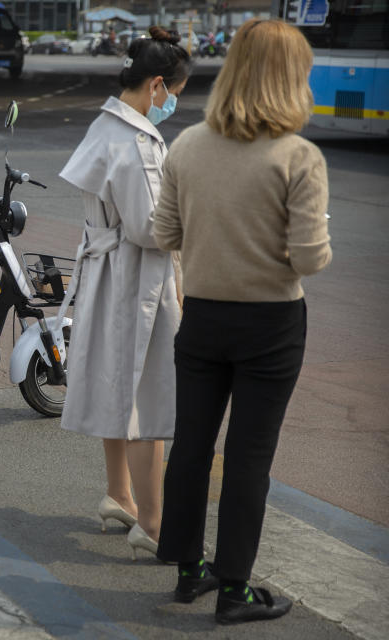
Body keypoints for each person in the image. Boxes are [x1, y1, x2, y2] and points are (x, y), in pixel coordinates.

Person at [153, 19, 331, 624]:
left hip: (201, 317)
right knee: (249, 456)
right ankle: (235, 589)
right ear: (291, 78)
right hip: (271, 324)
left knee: (192, 446)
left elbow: (164, 233)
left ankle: (186, 570)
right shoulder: (299, 155)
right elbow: (310, 258)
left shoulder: (187, 145)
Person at [57, 26, 191, 558]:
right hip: (138, 277)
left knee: (119, 386)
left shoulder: (105, 124)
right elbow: (153, 229)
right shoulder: (138, 141)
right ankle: (154, 525)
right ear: (156, 85)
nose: (173, 103)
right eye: (174, 93)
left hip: (106, 270)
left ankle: (119, 494)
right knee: (148, 396)